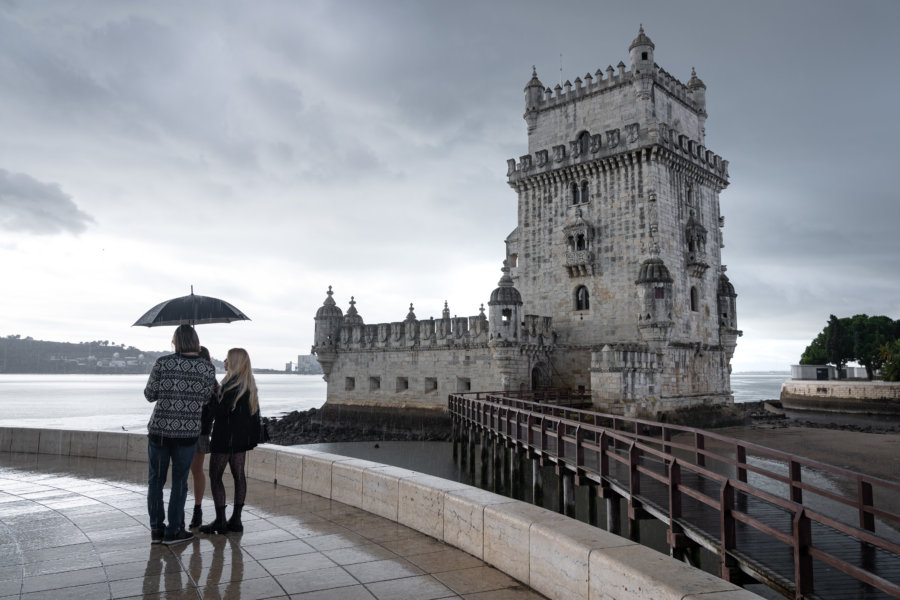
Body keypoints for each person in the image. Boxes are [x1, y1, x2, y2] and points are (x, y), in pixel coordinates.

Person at [144, 324, 217, 545]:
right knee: (179, 482)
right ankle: (174, 530)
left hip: (159, 431)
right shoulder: (207, 369)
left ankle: (157, 530)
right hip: (187, 434)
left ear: (177, 340)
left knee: (156, 481)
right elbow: (205, 399)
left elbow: (150, 395)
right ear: (195, 340)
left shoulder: (162, 363)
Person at [200, 347, 261, 535]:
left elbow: (220, 412)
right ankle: (236, 519)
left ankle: (220, 521)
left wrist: (212, 396)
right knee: (239, 476)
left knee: (216, 477)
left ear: (234, 362)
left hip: (224, 438)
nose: (224, 362)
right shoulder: (248, 385)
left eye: (227, 359)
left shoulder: (230, 386)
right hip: (241, 440)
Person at [187, 346, 218, 529]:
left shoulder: (209, 381)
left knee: (191, 471)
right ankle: (197, 510)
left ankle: (196, 510)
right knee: (196, 471)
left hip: (197, 430)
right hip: (202, 430)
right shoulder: (213, 381)